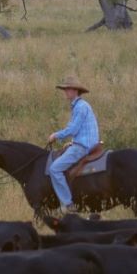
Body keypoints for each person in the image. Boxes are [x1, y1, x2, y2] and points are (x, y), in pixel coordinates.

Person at [46, 76, 98, 214]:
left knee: (54, 169)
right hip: (84, 142)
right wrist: (73, 141)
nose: (65, 92)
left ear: (75, 91)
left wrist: (55, 135)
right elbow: (80, 130)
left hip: (83, 146)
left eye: (68, 89)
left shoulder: (80, 107)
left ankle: (67, 204)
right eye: (65, 89)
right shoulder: (81, 106)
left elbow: (73, 129)